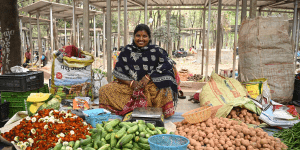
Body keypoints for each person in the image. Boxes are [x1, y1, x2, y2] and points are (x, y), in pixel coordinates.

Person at [99, 24, 178, 118]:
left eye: (144, 36)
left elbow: (168, 65)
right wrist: (132, 83)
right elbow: (118, 73)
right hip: (130, 86)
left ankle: (156, 112)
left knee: (164, 88)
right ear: (134, 37)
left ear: (149, 37)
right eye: (138, 36)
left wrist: (148, 77)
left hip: (151, 85)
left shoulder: (157, 51)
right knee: (104, 90)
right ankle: (130, 110)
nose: (141, 39)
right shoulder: (126, 51)